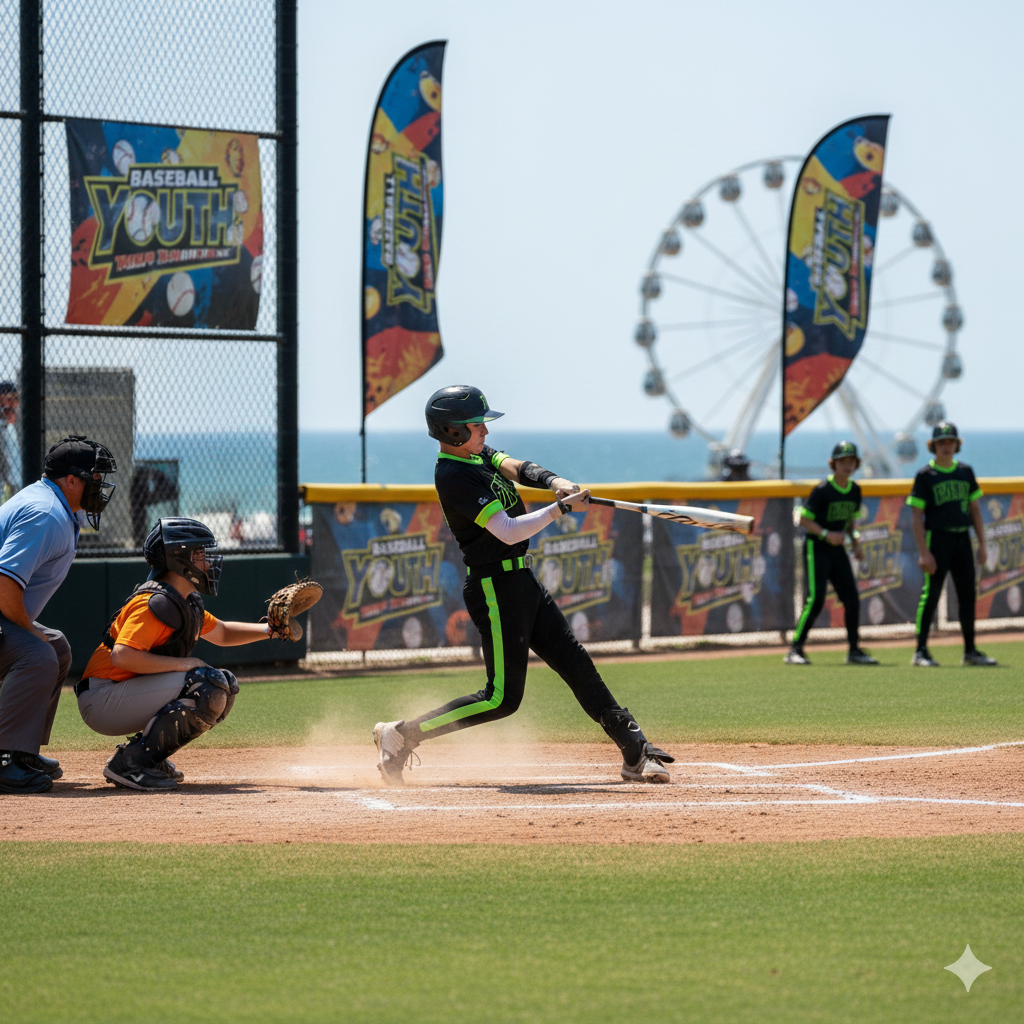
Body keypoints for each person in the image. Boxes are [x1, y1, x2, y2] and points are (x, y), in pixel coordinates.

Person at [372, 385, 674, 786]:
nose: (485, 432)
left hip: (521, 582)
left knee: (576, 663)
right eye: (477, 425)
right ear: (454, 432)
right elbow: (508, 531)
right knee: (500, 699)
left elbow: (516, 467)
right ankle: (401, 736)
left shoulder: (477, 455)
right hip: (494, 588)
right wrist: (561, 508)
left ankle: (634, 749)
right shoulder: (453, 475)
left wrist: (556, 481)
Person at [76, 517, 275, 791]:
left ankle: (149, 757)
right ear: (179, 559)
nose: (208, 562)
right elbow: (121, 656)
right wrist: (185, 664)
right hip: (101, 699)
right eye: (200, 554)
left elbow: (224, 633)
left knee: (224, 685)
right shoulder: (153, 603)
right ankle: (131, 763)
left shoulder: (183, 602)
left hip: (122, 692)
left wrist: (270, 629)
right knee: (207, 685)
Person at [0, 434, 117, 794]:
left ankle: (23, 749)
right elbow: (4, 586)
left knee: (56, 647)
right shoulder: (45, 513)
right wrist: (30, 633)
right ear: (71, 480)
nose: (100, 486)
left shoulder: (51, 504)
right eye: (94, 478)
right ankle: (5, 759)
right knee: (38, 653)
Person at [907, 422, 996, 667]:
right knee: (932, 595)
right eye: (941, 442)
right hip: (937, 539)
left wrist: (982, 544)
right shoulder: (926, 475)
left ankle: (970, 651)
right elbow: (916, 515)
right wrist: (923, 552)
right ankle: (921, 651)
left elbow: (975, 509)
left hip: (962, 539)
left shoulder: (965, 472)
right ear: (933, 446)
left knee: (967, 596)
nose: (946, 446)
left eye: (950, 442)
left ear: (957, 445)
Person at [785, 441, 877, 666]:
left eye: (851, 461)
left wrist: (855, 543)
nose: (847, 465)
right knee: (816, 599)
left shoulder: (855, 490)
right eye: (842, 461)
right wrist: (825, 533)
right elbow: (803, 519)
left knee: (852, 600)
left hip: (838, 549)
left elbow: (850, 521)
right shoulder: (823, 490)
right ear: (833, 464)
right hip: (817, 547)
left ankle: (854, 650)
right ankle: (795, 649)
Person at [0, 381, 20, 503]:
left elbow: (14, 475)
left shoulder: (10, 429)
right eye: (8, 399)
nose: (12, 404)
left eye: (15, 399)